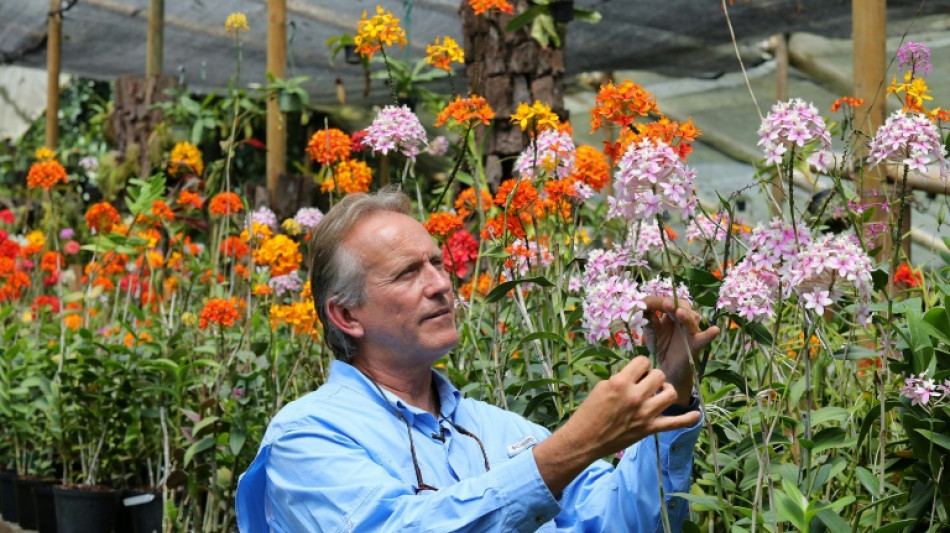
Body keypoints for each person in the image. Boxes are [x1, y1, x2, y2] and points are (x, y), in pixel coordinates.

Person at [236, 189, 720, 532]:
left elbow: (626, 523)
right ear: (346, 315)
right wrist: (575, 446)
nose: (440, 284)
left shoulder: (502, 429)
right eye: (407, 273)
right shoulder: (306, 436)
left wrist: (672, 390)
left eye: (437, 263)